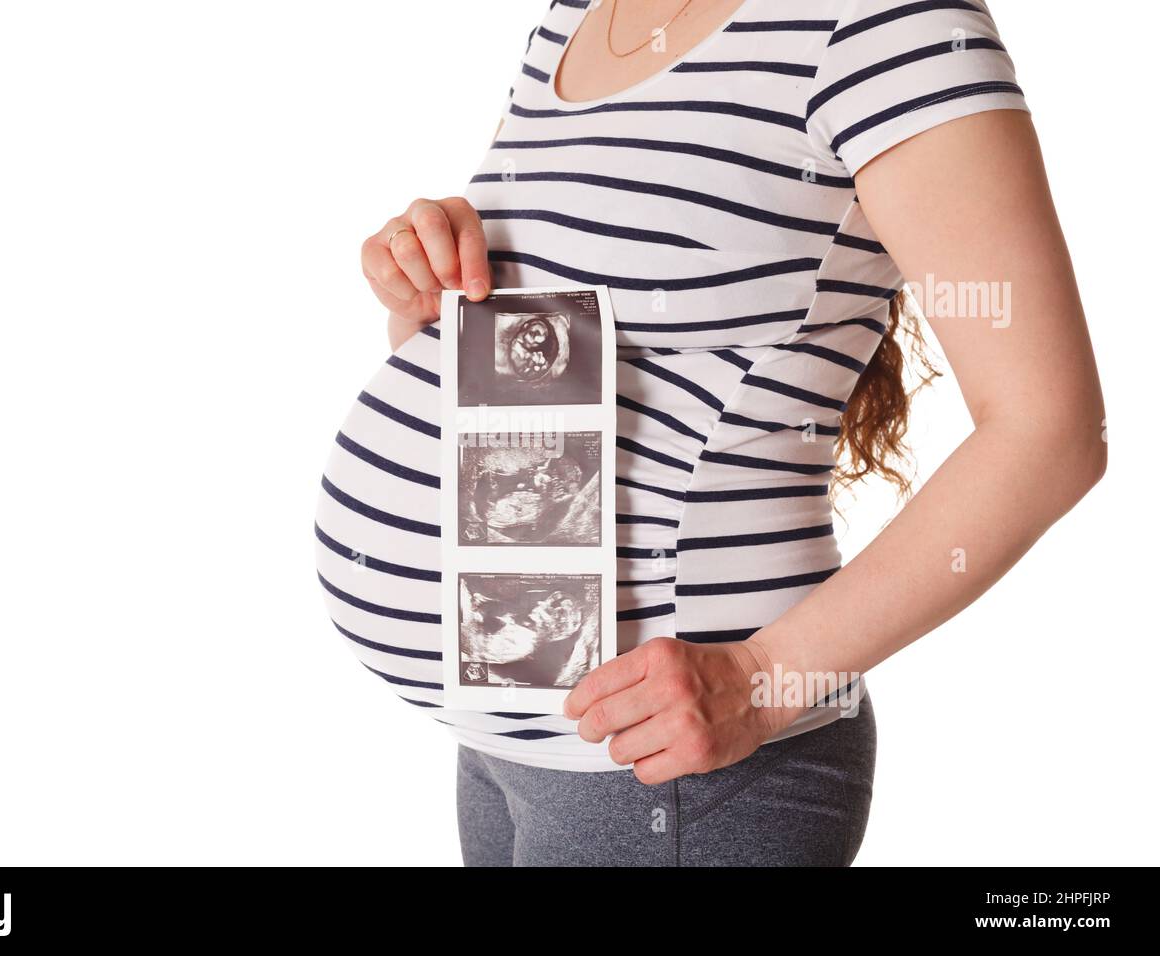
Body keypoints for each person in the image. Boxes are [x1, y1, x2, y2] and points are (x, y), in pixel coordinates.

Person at [315, 0, 1106, 866]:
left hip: (675, 773)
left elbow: (1051, 430)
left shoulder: (880, 22)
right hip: (510, 739)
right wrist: (427, 296)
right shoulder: (577, 15)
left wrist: (762, 681)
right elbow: (551, 358)